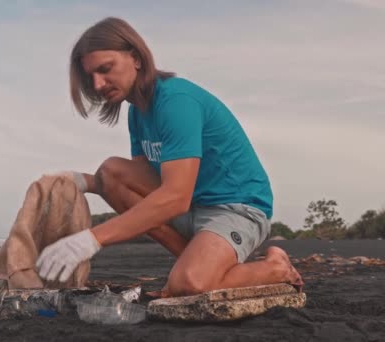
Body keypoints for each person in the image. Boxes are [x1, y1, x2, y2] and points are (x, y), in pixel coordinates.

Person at [36, 17, 303, 297]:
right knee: (111, 172)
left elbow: (176, 197)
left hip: (236, 209)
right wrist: (79, 181)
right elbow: (140, 183)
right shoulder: (138, 114)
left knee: (189, 285)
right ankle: (196, 261)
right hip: (194, 207)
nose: (99, 84)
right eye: (91, 77)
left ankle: (275, 268)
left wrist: (91, 239)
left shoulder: (176, 101)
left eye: (105, 69)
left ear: (136, 58)